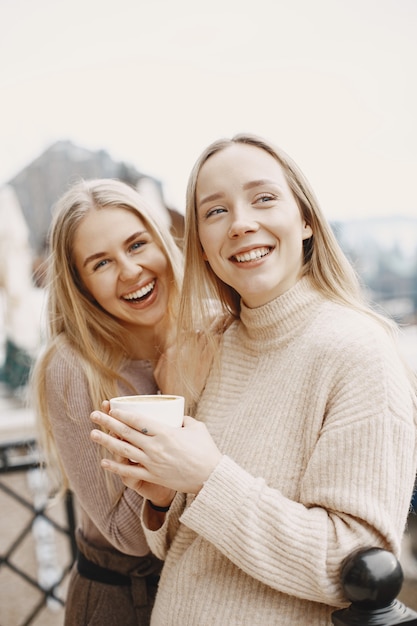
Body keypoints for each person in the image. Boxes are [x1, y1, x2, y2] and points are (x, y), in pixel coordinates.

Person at [89, 135, 417, 625]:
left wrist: (206, 476)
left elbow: (359, 568)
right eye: (215, 211)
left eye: (263, 198)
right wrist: (161, 498)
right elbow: (188, 547)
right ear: (200, 243)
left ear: (305, 219)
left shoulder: (358, 350)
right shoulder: (215, 348)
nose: (241, 223)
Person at [31, 178, 183, 626]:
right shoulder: (72, 366)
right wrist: (174, 395)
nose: (131, 270)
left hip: (215, 591)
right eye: (102, 263)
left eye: (137, 244)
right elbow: (128, 537)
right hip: (129, 601)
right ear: (81, 284)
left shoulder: (211, 327)